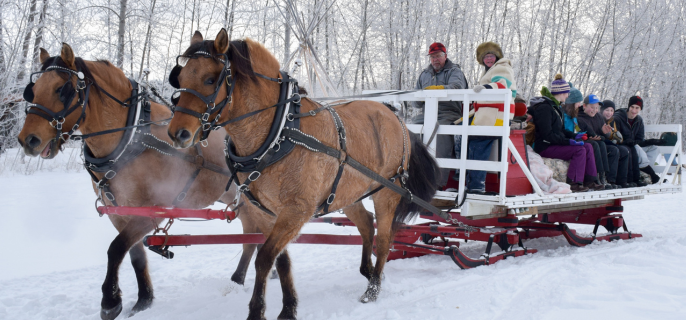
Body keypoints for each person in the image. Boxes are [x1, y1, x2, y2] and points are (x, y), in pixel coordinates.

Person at [528, 74, 602, 192]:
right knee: (579, 149)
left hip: (554, 143)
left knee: (587, 146)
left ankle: (590, 180)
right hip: (545, 146)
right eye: (567, 92)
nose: (568, 95)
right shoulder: (545, 108)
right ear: (561, 93)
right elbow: (547, 135)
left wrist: (575, 136)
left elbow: (561, 130)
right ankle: (574, 182)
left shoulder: (556, 107)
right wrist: (568, 142)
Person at [460, 41, 517, 193]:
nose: (489, 59)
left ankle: (476, 185)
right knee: (464, 136)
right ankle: (467, 179)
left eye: (491, 56)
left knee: (478, 144)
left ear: (497, 56)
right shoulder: (491, 70)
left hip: (496, 115)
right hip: (488, 113)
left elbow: (502, 85)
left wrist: (484, 88)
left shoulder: (502, 67)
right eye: (485, 57)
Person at [412, 42, 468, 187]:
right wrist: (420, 97)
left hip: (449, 113)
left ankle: (437, 183)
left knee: (441, 133)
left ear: (445, 56)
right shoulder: (424, 75)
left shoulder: (454, 71)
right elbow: (416, 102)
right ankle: (412, 176)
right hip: (426, 113)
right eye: (432, 57)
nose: (435, 59)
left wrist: (437, 89)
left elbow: (457, 88)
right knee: (410, 130)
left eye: (438, 56)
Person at [577, 95, 628, 189]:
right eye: (592, 107)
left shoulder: (598, 117)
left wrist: (607, 134)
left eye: (596, 108)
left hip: (599, 142)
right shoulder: (580, 118)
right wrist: (600, 137)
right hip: (588, 143)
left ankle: (606, 178)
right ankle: (597, 177)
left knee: (613, 150)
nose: (594, 110)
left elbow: (601, 134)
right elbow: (590, 134)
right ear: (584, 106)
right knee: (599, 144)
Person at [613, 96, 662, 185]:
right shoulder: (618, 117)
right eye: (632, 107)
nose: (634, 110)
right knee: (638, 149)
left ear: (640, 109)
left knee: (654, 148)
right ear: (628, 106)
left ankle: (643, 172)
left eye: (637, 108)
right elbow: (615, 137)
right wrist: (627, 141)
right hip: (624, 146)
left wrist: (651, 141)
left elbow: (640, 139)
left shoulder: (639, 120)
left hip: (634, 145)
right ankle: (652, 175)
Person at [600, 100, 634, 188]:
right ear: (602, 110)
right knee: (614, 150)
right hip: (601, 144)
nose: (609, 113)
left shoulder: (612, 121)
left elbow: (614, 134)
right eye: (607, 110)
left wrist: (616, 138)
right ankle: (610, 180)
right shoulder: (599, 119)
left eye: (611, 111)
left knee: (624, 151)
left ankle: (622, 180)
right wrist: (608, 136)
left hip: (608, 143)